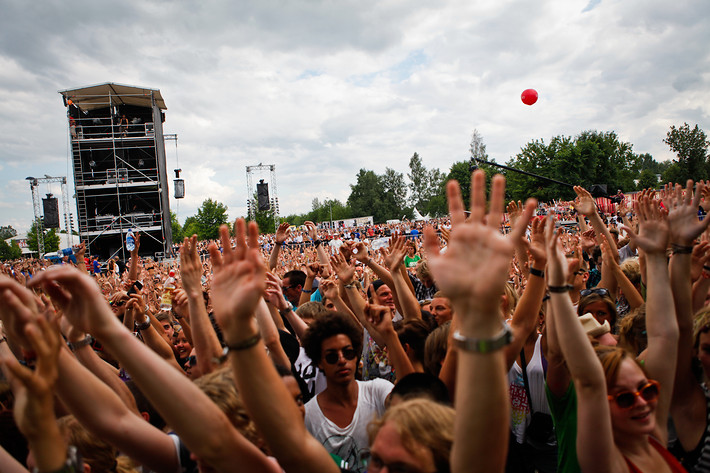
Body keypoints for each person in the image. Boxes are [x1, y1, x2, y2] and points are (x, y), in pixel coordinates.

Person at [545, 191, 684, 473]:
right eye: (623, 398)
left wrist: (657, 257)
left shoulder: (649, 436)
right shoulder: (604, 458)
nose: (642, 402)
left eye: (647, 389)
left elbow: (664, 336)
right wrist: (554, 287)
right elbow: (561, 357)